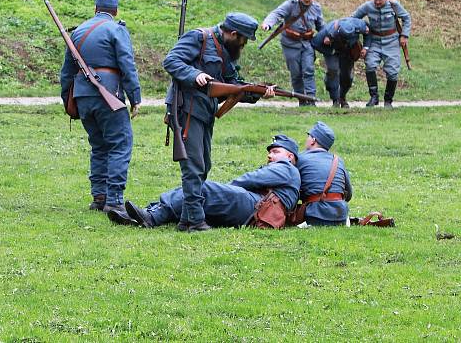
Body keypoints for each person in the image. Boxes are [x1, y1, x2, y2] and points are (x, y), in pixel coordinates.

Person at [163, 13, 275, 232]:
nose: (243, 46)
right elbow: (171, 61)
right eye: (242, 40)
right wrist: (194, 74)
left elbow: (235, 85)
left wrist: (260, 91)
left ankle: (187, 219)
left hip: (204, 112)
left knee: (203, 165)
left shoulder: (225, 51)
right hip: (187, 110)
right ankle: (195, 221)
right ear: (233, 34)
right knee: (193, 166)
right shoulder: (199, 38)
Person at [60, 0, 141, 215]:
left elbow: (66, 72)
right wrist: (135, 97)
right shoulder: (117, 30)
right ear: (115, 9)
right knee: (119, 144)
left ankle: (99, 197)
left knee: (99, 146)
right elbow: (127, 65)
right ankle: (114, 200)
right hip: (109, 95)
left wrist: (68, 99)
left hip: (83, 96)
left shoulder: (77, 32)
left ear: (95, 8)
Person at [108, 135, 301, 229]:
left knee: (204, 188)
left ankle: (152, 217)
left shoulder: (287, 167)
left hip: (256, 208)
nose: (269, 155)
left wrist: (227, 188)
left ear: (290, 155)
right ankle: (147, 214)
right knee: (196, 189)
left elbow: (251, 179)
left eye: (276, 151)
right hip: (255, 208)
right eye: (269, 151)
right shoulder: (285, 170)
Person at [261, 0, 325, 106]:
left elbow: (321, 26)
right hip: (290, 44)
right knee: (296, 73)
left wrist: (328, 36)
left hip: (307, 43)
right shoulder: (291, 5)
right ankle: (301, 99)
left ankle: (311, 99)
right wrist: (268, 24)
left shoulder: (316, 8)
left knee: (308, 70)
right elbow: (276, 13)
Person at [352, 0, 411, 108]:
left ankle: (388, 100)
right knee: (370, 65)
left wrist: (404, 35)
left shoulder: (394, 6)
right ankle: (374, 97)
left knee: (393, 71)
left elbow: (406, 18)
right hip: (374, 41)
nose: (377, 2)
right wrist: (361, 29)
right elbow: (353, 19)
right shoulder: (367, 6)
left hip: (391, 41)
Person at [294, 121, 352, 226]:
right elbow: (349, 194)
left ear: (313, 140)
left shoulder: (300, 158)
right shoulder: (338, 160)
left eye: (309, 136)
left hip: (314, 216)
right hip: (341, 217)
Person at [312, 17, 369, 108]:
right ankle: (335, 100)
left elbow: (368, 32)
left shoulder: (360, 25)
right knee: (333, 71)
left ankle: (342, 97)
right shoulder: (327, 32)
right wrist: (331, 51)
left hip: (348, 51)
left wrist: (366, 47)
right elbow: (315, 43)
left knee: (347, 76)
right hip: (332, 50)